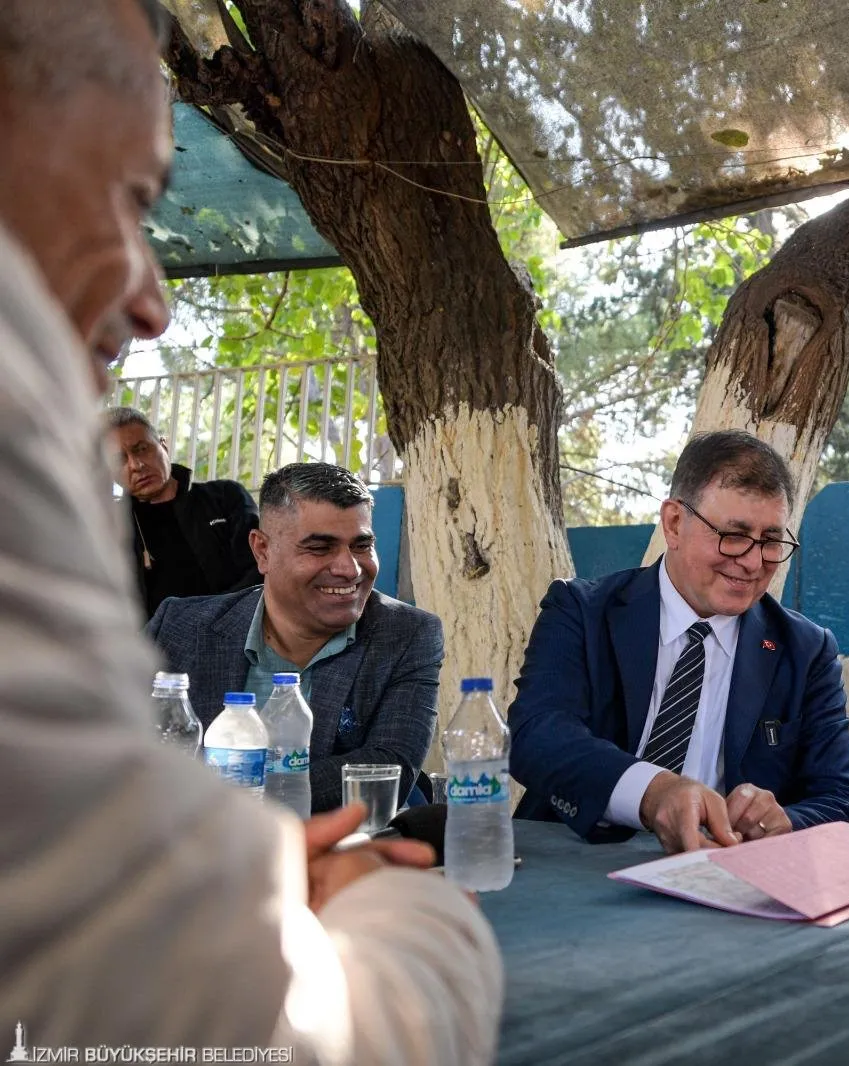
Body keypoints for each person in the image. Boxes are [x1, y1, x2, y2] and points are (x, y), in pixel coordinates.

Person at [0, 2, 502, 1057]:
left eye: (362, 543)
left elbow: (386, 772)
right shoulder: (173, 614)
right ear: (258, 551)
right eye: (132, 199)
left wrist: (212, 845)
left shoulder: (408, 641)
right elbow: (237, 1029)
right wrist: (388, 912)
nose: (154, 305)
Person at [508, 429, 849, 853]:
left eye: (771, 541)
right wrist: (653, 791)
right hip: (575, 867)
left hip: (725, 882)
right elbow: (537, 734)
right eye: (733, 535)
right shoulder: (582, 612)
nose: (753, 562)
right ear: (674, 523)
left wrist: (784, 820)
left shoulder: (805, 650)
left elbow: (843, 800)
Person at [147, 461, 442, 812]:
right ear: (262, 551)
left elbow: (388, 764)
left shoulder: (407, 634)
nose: (349, 569)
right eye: (320, 548)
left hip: (333, 849)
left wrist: (228, 803)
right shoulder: (180, 626)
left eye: (362, 545)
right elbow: (111, 734)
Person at [105, 405, 263, 618]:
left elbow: (260, 568)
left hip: (234, 630)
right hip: (154, 644)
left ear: (164, 446)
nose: (136, 465)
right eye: (119, 460)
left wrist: (212, 618)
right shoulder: (110, 525)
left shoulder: (224, 497)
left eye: (141, 449)